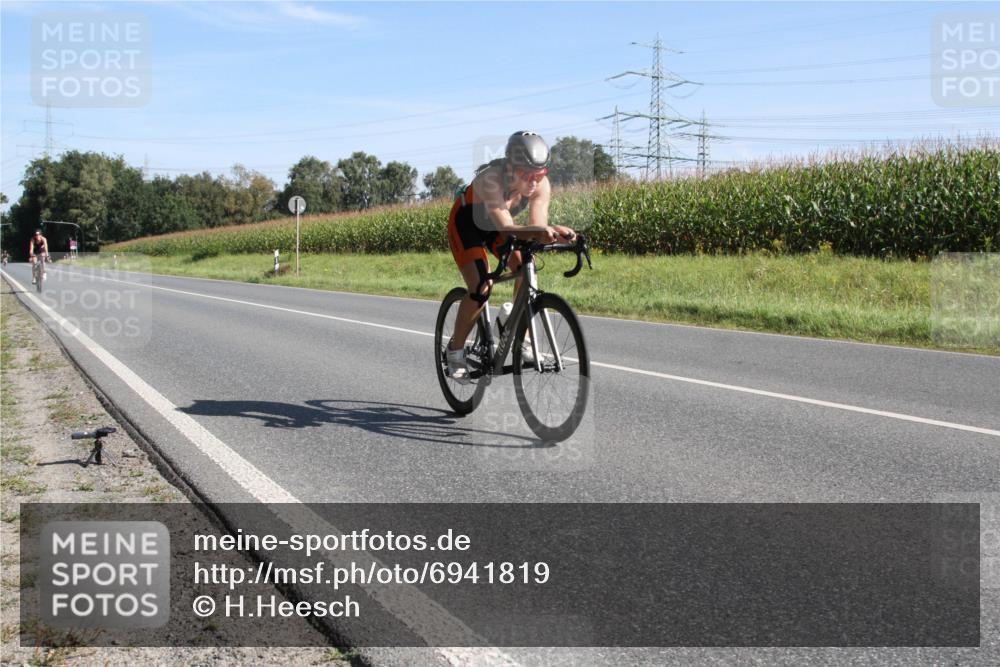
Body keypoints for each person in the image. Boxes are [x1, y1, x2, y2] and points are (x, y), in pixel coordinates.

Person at [445, 131, 576, 383]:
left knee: (528, 266)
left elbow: (536, 227)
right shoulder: (490, 180)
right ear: (510, 166)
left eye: (540, 174)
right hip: (467, 225)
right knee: (481, 287)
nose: (534, 182)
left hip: (496, 227)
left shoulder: (540, 185)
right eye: (527, 174)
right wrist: (540, 232)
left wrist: (557, 233)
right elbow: (506, 227)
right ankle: (455, 351)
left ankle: (514, 324)